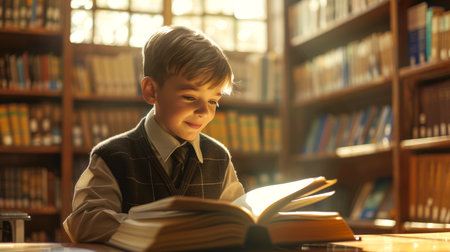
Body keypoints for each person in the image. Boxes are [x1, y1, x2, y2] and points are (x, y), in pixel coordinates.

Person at [63, 26, 245, 243]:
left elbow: (239, 219)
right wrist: (160, 229)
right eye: (189, 97)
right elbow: (85, 221)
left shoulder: (219, 157)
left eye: (213, 101)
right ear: (152, 91)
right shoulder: (113, 156)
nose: (205, 112)